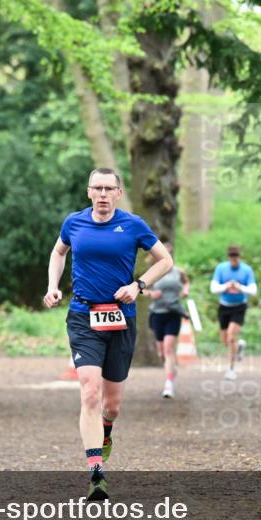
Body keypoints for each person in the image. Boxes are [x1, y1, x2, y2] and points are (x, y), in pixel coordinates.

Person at [44, 167, 173, 501]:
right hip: (83, 315)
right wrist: (53, 287)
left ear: (118, 192)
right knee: (89, 392)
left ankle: (107, 430)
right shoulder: (74, 222)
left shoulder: (133, 225)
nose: (102, 194)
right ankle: (96, 473)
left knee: (112, 405)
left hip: (121, 319)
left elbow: (165, 260)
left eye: (108, 189)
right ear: (89, 192)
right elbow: (60, 251)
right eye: (96, 188)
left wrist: (138, 284)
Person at [147, 241, 190, 398]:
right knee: (162, 353)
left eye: (169, 253)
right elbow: (140, 290)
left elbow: (186, 283)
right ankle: (171, 369)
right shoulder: (153, 272)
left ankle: (169, 384)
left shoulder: (178, 271)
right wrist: (151, 294)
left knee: (168, 348)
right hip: (157, 313)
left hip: (174, 312)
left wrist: (185, 290)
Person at [209, 245, 257, 380]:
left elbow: (253, 290)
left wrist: (239, 287)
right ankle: (239, 346)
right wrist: (227, 286)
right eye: (231, 257)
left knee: (231, 336)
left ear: (239, 257)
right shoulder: (221, 268)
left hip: (239, 306)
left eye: (236, 257)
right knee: (225, 341)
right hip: (224, 306)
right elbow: (213, 288)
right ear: (228, 257)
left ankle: (231, 369)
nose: (234, 259)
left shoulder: (247, 270)